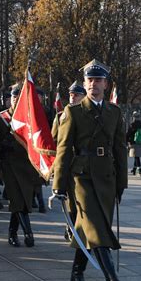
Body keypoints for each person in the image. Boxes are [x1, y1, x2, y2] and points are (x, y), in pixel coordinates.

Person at [53, 59, 127, 281]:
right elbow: (63, 150)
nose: (93, 84)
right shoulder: (73, 112)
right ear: (84, 83)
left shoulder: (114, 112)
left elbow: (119, 150)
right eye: (89, 80)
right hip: (81, 179)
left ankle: (76, 274)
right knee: (96, 228)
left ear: (106, 84)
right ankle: (112, 280)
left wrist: (121, 183)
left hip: (106, 178)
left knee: (88, 231)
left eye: (98, 80)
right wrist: (59, 186)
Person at [0, 84, 37, 248]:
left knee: (23, 202)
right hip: (9, 166)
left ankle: (12, 233)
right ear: (8, 99)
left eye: (20, 98)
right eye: (13, 98)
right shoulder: (1, 119)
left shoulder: (30, 119)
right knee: (17, 200)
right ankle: (28, 233)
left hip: (26, 166)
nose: (16, 101)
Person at [52, 81, 86, 241]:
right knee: (70, 201)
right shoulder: (62, 116)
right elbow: (54, 139)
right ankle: (70, 227)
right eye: (71, 95)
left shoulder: (88, 115)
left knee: (80, 201)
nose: (73, 98)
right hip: (67, 163)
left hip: (82, 164)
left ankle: (75, 229)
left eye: (77, 95)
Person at [126, 111, 141, 177]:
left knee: (136, 156)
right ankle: (134, 169)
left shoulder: (132, 125)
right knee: (137, 155)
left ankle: (139, 170)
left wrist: (125, 142)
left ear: (133, 117)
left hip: (133, 143)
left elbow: (128, 134)